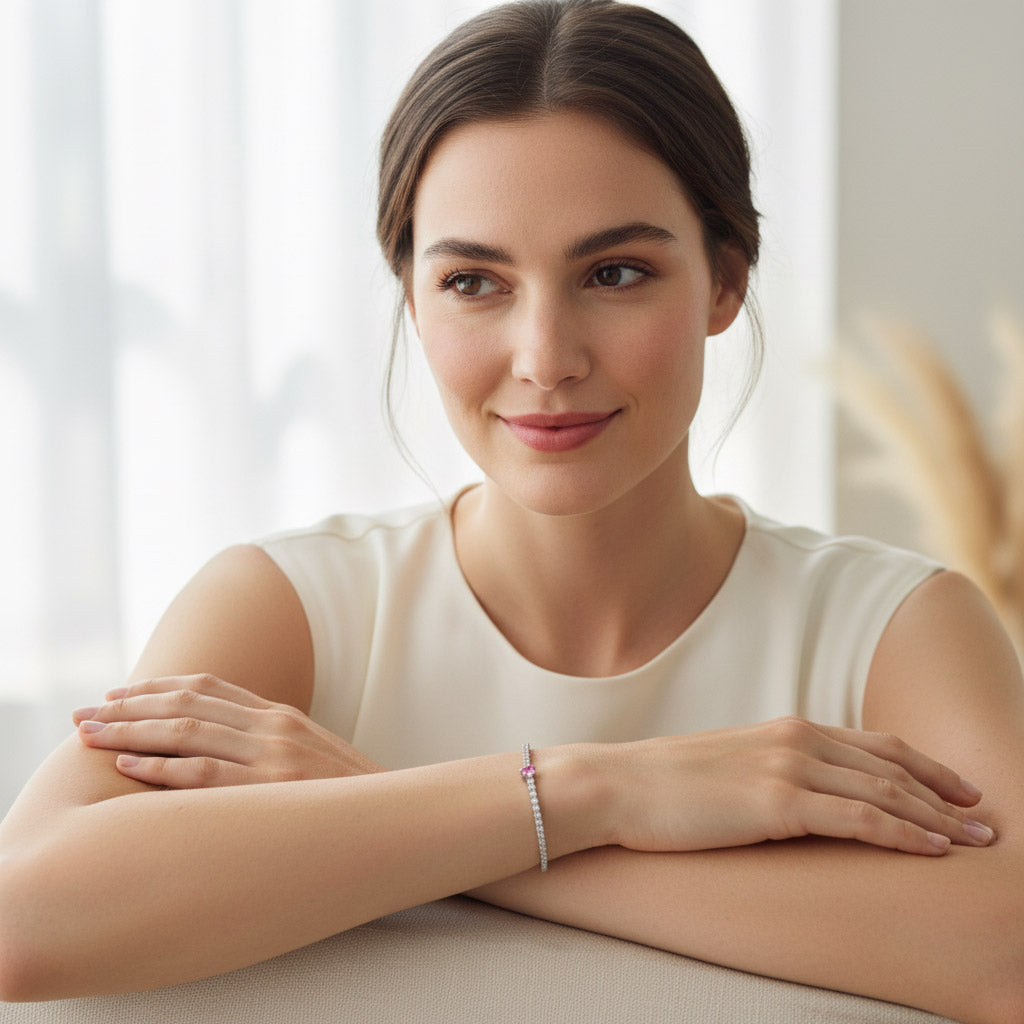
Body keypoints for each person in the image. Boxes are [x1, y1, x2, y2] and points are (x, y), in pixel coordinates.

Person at [1, 1, 1022, 1019]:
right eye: (474, 281)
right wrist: (601, 793)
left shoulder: (893, 627)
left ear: (723, 280)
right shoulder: (295, 610)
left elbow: (1005, 952)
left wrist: (396, 803)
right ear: (412, 297)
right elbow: (25, 925)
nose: (544, 358)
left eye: (614, 273)